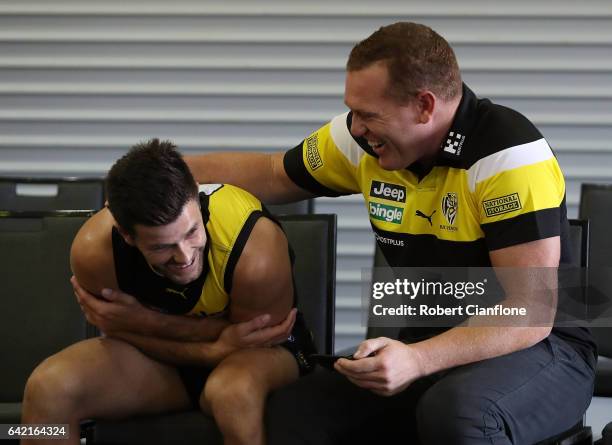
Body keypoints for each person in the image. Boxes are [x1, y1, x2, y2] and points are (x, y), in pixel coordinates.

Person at [185, 22, 596, 444]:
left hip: (542, 350)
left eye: (368, 114)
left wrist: (417, 360)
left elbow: (531, 311)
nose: (356, 127)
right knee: (294, 408)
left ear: (423, 106)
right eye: (352, 111)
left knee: (458, 413)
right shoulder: (362, 141)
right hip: (429, 339)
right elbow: (272, 172)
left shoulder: (508, 157)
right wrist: (162, 173)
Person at [21, 139, 316, 445]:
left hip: (262, 354)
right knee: (48, 388)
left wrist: (144, 322)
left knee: (233, 393)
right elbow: (117, 332)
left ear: (197, 196)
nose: (185, 256)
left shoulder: (255, 247)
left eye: (192, 232)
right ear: (126, 234)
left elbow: (249, 341)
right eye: (161, 246)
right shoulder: (95, 252)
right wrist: (209, 347)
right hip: (160, 359)